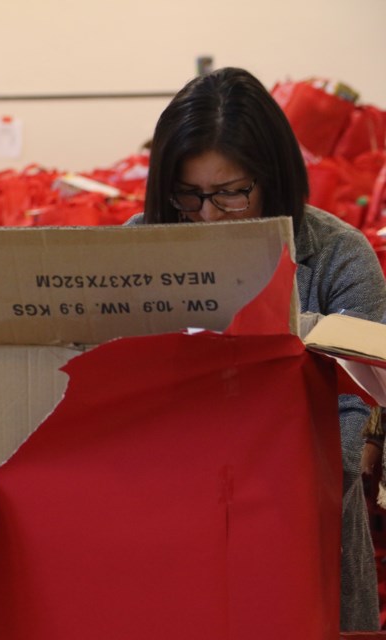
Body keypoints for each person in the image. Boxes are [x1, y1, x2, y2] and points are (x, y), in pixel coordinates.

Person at [127, 66, 386, 631]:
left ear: (274, 179)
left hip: (303, 541)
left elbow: (352, 413)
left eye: (231, 194)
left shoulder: (340, 256)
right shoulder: (139, 248)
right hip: (167, 537)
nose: (208, 216)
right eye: (188, 196)